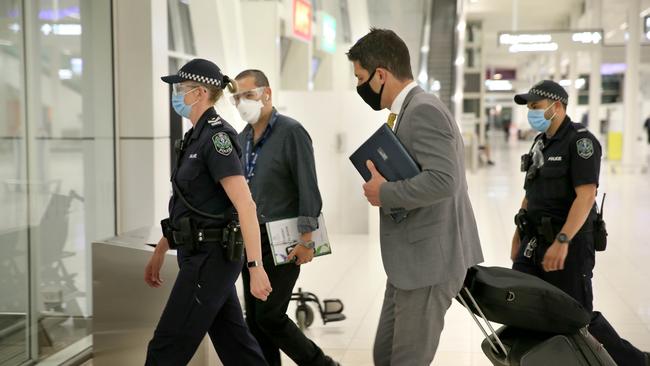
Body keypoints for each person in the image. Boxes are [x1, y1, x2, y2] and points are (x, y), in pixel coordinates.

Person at [346, 28, 484, 365]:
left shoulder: (423, 110)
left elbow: (444, 180)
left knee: (407, 360)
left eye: (360, 77)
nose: (358, 86)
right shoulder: (405, 110)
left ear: (381, 75)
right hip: (409, 263)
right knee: (385, 355)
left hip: (429, 263)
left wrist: (385, 192)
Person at [511, 80, 650, 366]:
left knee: (577, 316)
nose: (531, 113)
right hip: (534, 241)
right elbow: (530, 192)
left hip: (568, 244)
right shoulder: (540, 143)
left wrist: (563, 240)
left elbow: (586, 197)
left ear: (557, 106)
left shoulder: (581, 142)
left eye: (535, 107)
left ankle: (635, 361)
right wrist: (518, 234)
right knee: (528, 307)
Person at [143, 58, 272, 366]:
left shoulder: (217, 138)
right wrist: (163, 245)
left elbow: (245, 204)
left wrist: (255, 266)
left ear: (199, 93)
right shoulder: (192, 138)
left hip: (210, 258)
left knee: (166, 347)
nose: (175, 94)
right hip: (200, 254)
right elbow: (189, 203)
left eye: (180, 88)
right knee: (236, 346)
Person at [232, 69, 339, 366]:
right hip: (251, 241)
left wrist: (308, 241)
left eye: (248, 95)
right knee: (254, 319)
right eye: (237, 97)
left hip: (284, 238)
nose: (242, 102)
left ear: (267, 93)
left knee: (270, 315)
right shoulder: (242, 139)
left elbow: (308, 188)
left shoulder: (291, 132)